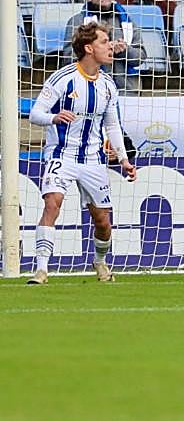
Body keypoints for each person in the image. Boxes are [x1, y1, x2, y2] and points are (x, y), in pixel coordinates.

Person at [26, 22, 137, 284]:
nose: (110, 46)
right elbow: (35, 114)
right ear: (89, 48)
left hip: (93, 160)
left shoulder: (108, 85)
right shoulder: (62, 78)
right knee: (52, 203)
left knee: (102, 221)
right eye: (104, 42)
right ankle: (41, 270)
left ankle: (100, 262)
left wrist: (123, 158)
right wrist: (54, 117)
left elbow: (112, 124)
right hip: (61, 156)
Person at [64, 0, 145, 91]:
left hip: (127, 88)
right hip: (90, 87)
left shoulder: (128, 21)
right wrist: (97, 51)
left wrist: (124, 50)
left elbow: (140, 56)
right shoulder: (77, 21)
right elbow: (68, 58)